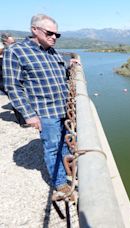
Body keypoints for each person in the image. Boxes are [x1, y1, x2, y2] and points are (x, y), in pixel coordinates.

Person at [2, 14, 76, 201]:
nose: (53, 37)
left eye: (56, 35)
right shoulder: (16, 52)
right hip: (45, 112)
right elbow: (13, 86)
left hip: (64, 109)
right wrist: (29, 115)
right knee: (52, 148)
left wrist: (69, 67)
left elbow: (57, 75)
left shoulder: (52, 52)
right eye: (50, 33)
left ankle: (69, 172)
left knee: (65, 143)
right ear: (34, 30)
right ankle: (60, 184)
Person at [1, 32, 27, 126]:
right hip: (4, 79)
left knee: (18, 96)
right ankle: (23, 121)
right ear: (5, 42)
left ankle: (23, 119)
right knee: (16, 96)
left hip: (9, 77)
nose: (14, 45)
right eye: (11, 43)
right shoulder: (6, 52)